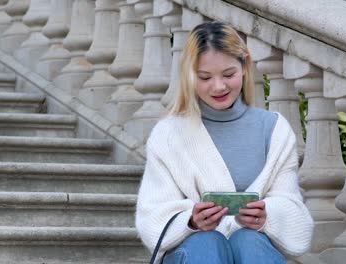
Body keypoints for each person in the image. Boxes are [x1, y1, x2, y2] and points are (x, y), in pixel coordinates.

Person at [135, 21, 314, 264]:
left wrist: (267, 216)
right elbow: (152, 216)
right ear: (189, 76)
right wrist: (190, 221)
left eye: (228, 74)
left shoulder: (274, 129)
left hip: (253, 251)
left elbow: (292, 209)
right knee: (207, 241)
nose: (218, 86)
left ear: (245, 66)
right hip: (194, 253)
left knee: (247, 240)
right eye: (205, 77)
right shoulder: (167, 134)